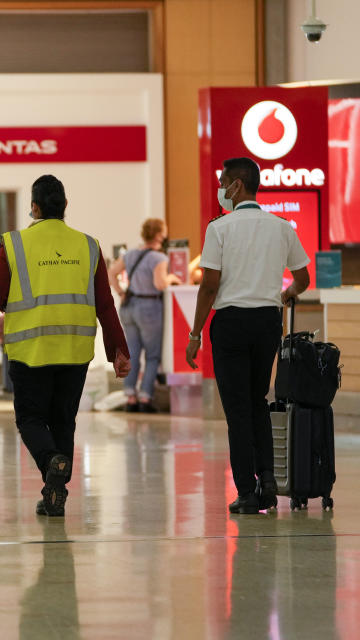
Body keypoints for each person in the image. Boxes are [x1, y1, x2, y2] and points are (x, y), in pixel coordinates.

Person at [0, 175, 131, 517]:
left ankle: (52, 462)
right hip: (74, 350)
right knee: (64, 421)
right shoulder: (88, 245)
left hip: (30, 350)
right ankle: (55, 495)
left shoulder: (15, 244)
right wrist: (118, 352)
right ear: (64, 207)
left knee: (31, 419)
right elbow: (105, 304)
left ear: (34, 207)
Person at [186, 157, 310, 515]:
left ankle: (246, 491)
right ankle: (268, 479)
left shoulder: (219, 229)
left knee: (237, 410)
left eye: (224, 183)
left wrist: (195, 333)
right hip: (267, 323)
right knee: (258, 401)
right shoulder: (281, 226)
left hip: (231, 324)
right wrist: (284, 296)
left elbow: (209, 286)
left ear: (237, 186)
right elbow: (302, 278)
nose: (222, 190)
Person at [108, 218, 182, 412]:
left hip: (129, 306)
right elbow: (159, 284)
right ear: (160, 234)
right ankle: (146, 397)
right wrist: (172, 278)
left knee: (131, 353)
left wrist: (121, 292)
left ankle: (130, 397)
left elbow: (111, 273)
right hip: (149, 307)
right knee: (152, 356)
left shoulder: (130, 254)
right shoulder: (159, 258)